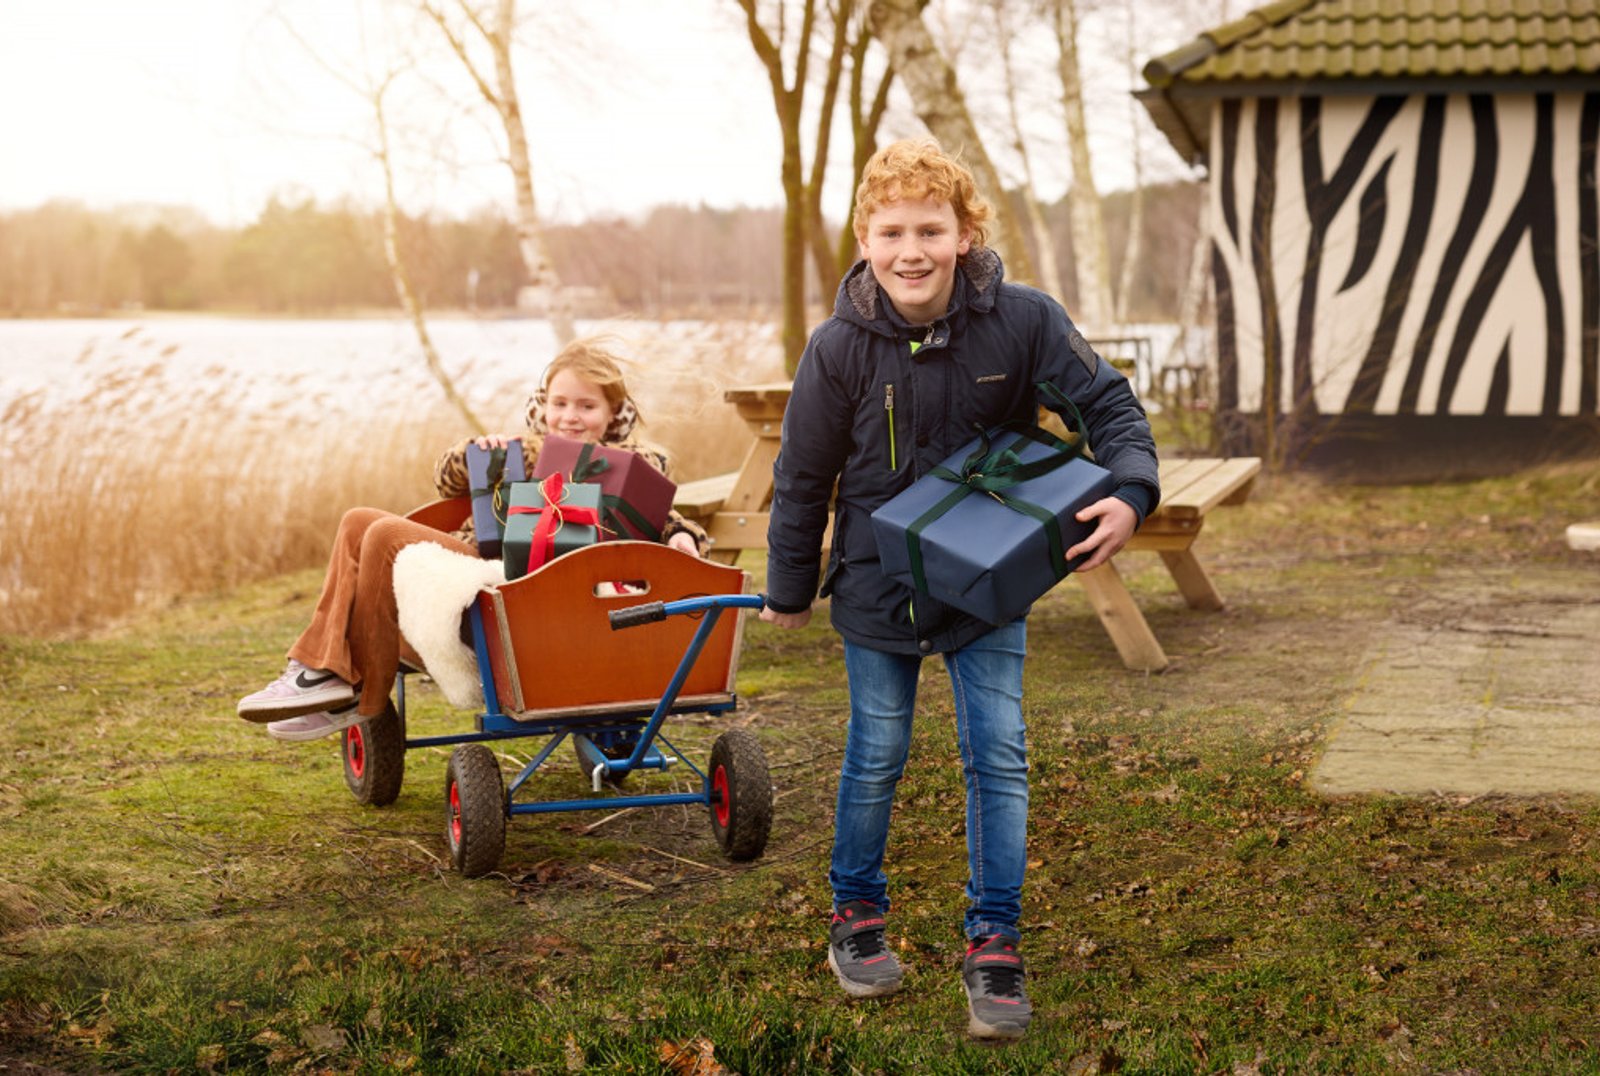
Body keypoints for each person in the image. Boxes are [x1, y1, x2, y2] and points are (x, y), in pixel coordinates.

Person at [759, 138, 1160, 1040]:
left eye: (930, 229)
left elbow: (1111, 408)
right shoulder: (836, 350)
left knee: (999, 757)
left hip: (990, 583)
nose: (912, 250)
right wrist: (790, 586)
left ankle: (995, 944)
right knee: (877, 755)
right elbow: (802, 473)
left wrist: (1132, 491)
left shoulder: (1022, 321)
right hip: (875, 584)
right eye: (891, 230)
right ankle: (855, 916)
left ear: (966, 234)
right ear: (864, 239)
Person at [237, 337, 707, 742]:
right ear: (541, 407)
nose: (570, 417)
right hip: (485, 556)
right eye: (559, 404)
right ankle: (323, 671)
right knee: (358, 519)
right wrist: (473, 453)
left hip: (534, 580)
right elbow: (447, 483)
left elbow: (665, 517)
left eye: (587, 406)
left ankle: (359, 695)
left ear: (613, 414)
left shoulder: (624, 466)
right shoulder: (521, 451)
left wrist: (683, 535)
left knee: (382, 533)